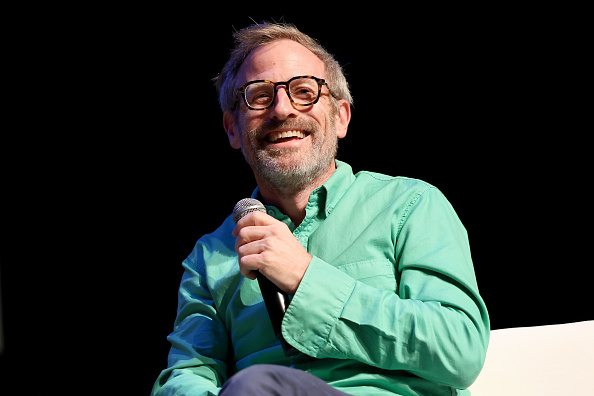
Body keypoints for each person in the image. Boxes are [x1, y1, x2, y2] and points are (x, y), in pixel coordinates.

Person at [151, 22, 489, 396]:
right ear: (232, 129)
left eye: (303, 91)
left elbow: (459, 349)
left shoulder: (409, 206)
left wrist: (303, 275)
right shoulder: (208, 257)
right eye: (259, 96)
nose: (282, 109)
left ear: (341, 117)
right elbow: (188, 373)